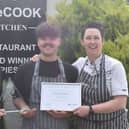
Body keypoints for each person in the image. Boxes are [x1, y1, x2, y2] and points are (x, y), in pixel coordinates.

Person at [13, 22, 78, 129]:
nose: (48, 42)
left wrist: (67, 113)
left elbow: (75, 104)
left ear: (59, 41)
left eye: (52, 38)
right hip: (31, 125)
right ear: (38, 42)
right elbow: (16, 96)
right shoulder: (25, 69)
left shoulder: (71, 71)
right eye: (43, 38)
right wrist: (24, 108)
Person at [72, 21, 129, 129]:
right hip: (86, 125)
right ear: (82, 42)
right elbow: (59, 72)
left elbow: (120, 102)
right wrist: (40, 59)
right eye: (88, 38)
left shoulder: (114, 66)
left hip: (113, 125)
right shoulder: (78, 65)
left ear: (103, 41)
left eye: (96, 38)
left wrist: (90, 109)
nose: (92, 42)